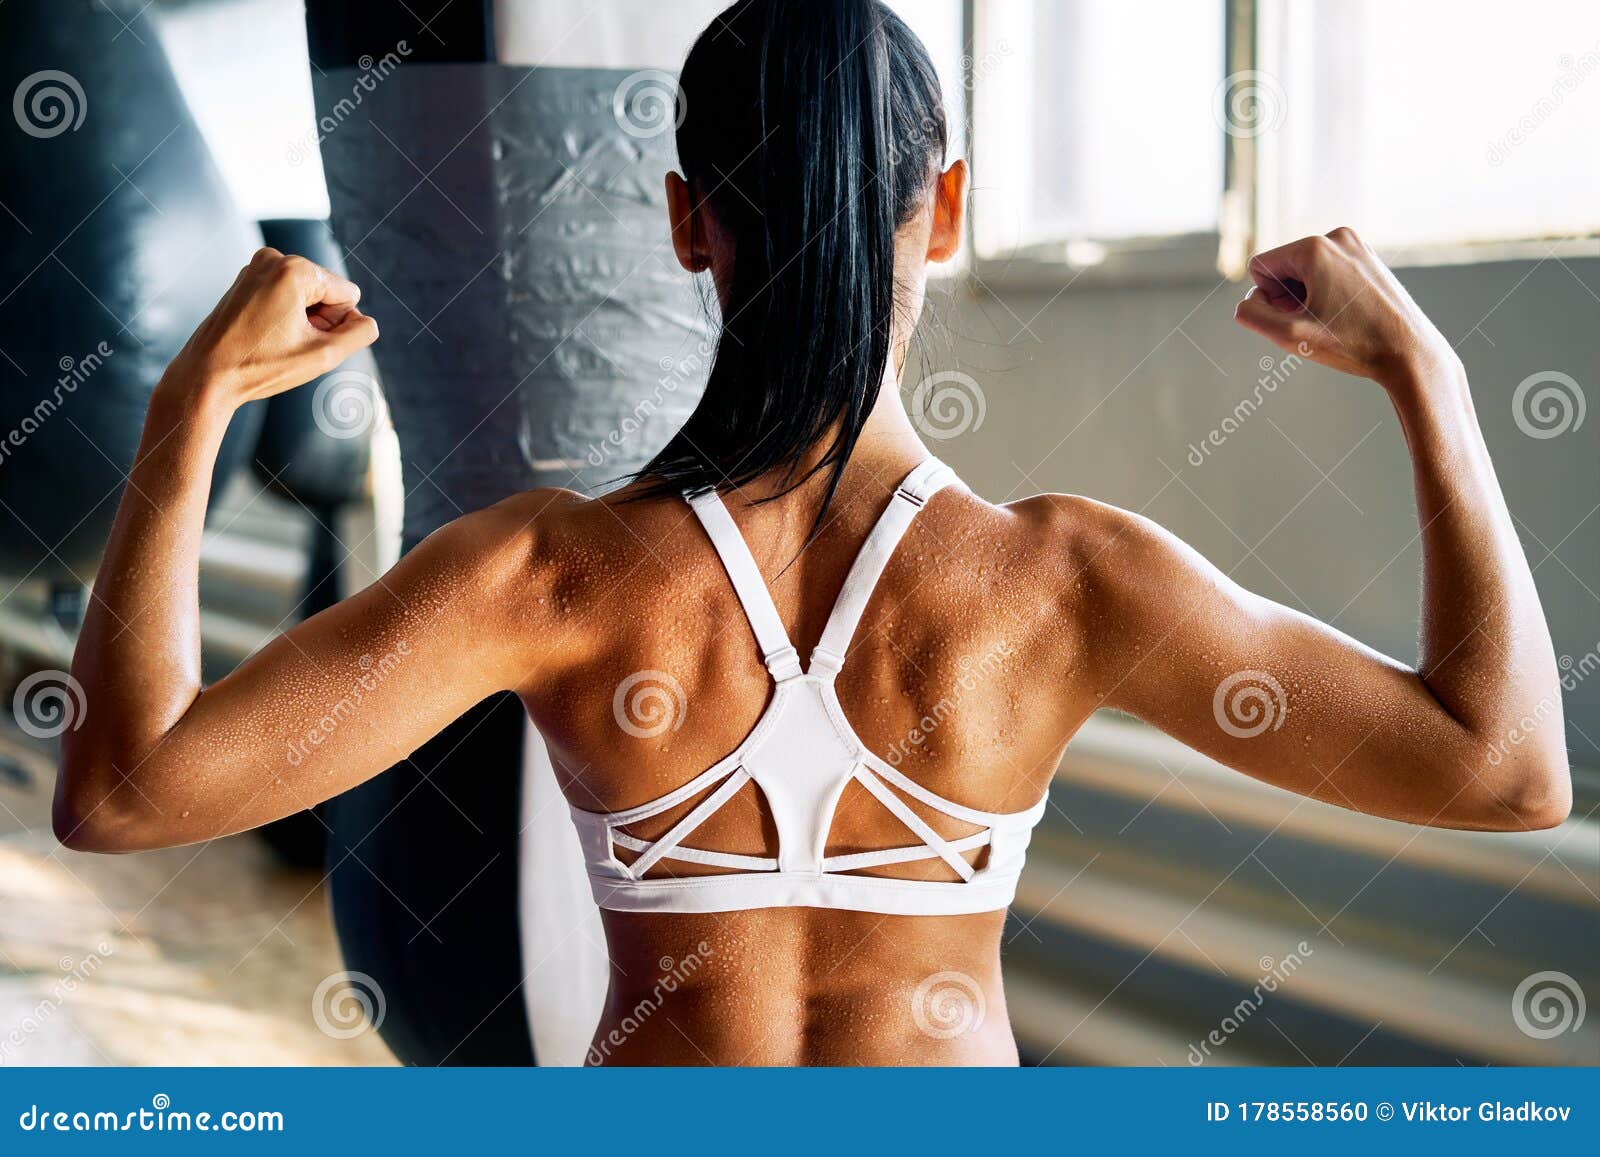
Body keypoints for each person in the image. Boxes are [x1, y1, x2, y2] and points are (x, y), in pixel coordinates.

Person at [54, 0, 1569, 1066]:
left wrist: (189, 401)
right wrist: (1430, 381)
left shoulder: (548, 573)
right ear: (949, 208)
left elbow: (123, 794)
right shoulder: (1068, 581)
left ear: (684, 222)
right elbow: (1505, 771)